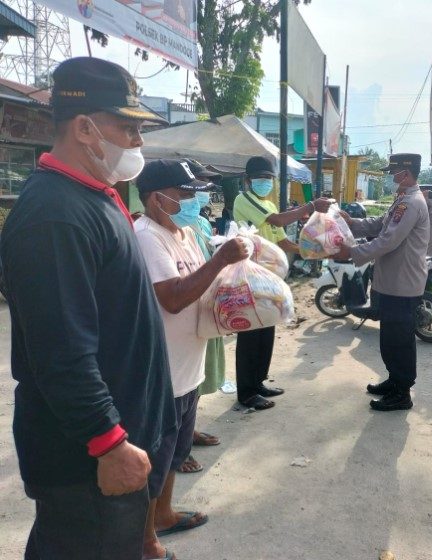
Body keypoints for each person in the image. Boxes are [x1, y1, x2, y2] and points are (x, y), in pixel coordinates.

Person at [0, 57, 175, 560]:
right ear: (83, 127)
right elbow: (61, 351)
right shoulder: (54, 216)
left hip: (118, 443)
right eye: (128, 127)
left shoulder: (92, 195)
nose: (138, 143)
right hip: (86, 462)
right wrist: (107, 441)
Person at [134, 159, 250, 559]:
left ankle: (163, 515)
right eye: (184, 192)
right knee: (156, 455)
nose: (191, 198)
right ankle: (146, 539)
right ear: (157, 197)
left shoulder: (182, 232)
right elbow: (174, 296)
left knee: (176, 452)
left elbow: (202, 280)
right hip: (163, 370)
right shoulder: (147, 236)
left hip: (189, 363)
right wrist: (221, 261)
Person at [232, 156, 332, 410]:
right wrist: (309, 206)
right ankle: (246, 392)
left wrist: (311, 250)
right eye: (260, 178)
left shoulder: (268, 203)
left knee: (266, 328)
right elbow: (277, 221)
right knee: (250, 333)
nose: (265, 183)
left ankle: (258, 382)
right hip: (249, 275)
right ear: (247, 180)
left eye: (268, 179)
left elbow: (281, 241)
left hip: (269, 277)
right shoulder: (244, 200)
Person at [334, 153, 430, 411]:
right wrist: (352, 223)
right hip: (391, 282)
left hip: (403, 285)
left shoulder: (410, 203)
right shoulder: (401, 200)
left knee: (399, 340)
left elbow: (388, 240)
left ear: (406, 173)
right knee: (389, 339)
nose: (390, 177)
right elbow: (379, 225)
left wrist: (352, 253)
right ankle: (394, 380)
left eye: (393, 172)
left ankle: (402, 393)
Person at [176, 159, 225, 475]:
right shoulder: (154, 231)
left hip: (205, 306)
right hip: (182, 316)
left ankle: (188, 432)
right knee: (179, 385)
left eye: (203, 189)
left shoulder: (197, 225)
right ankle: (178, 448)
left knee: (198, 377)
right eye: (192, 190)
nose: (199, 196)